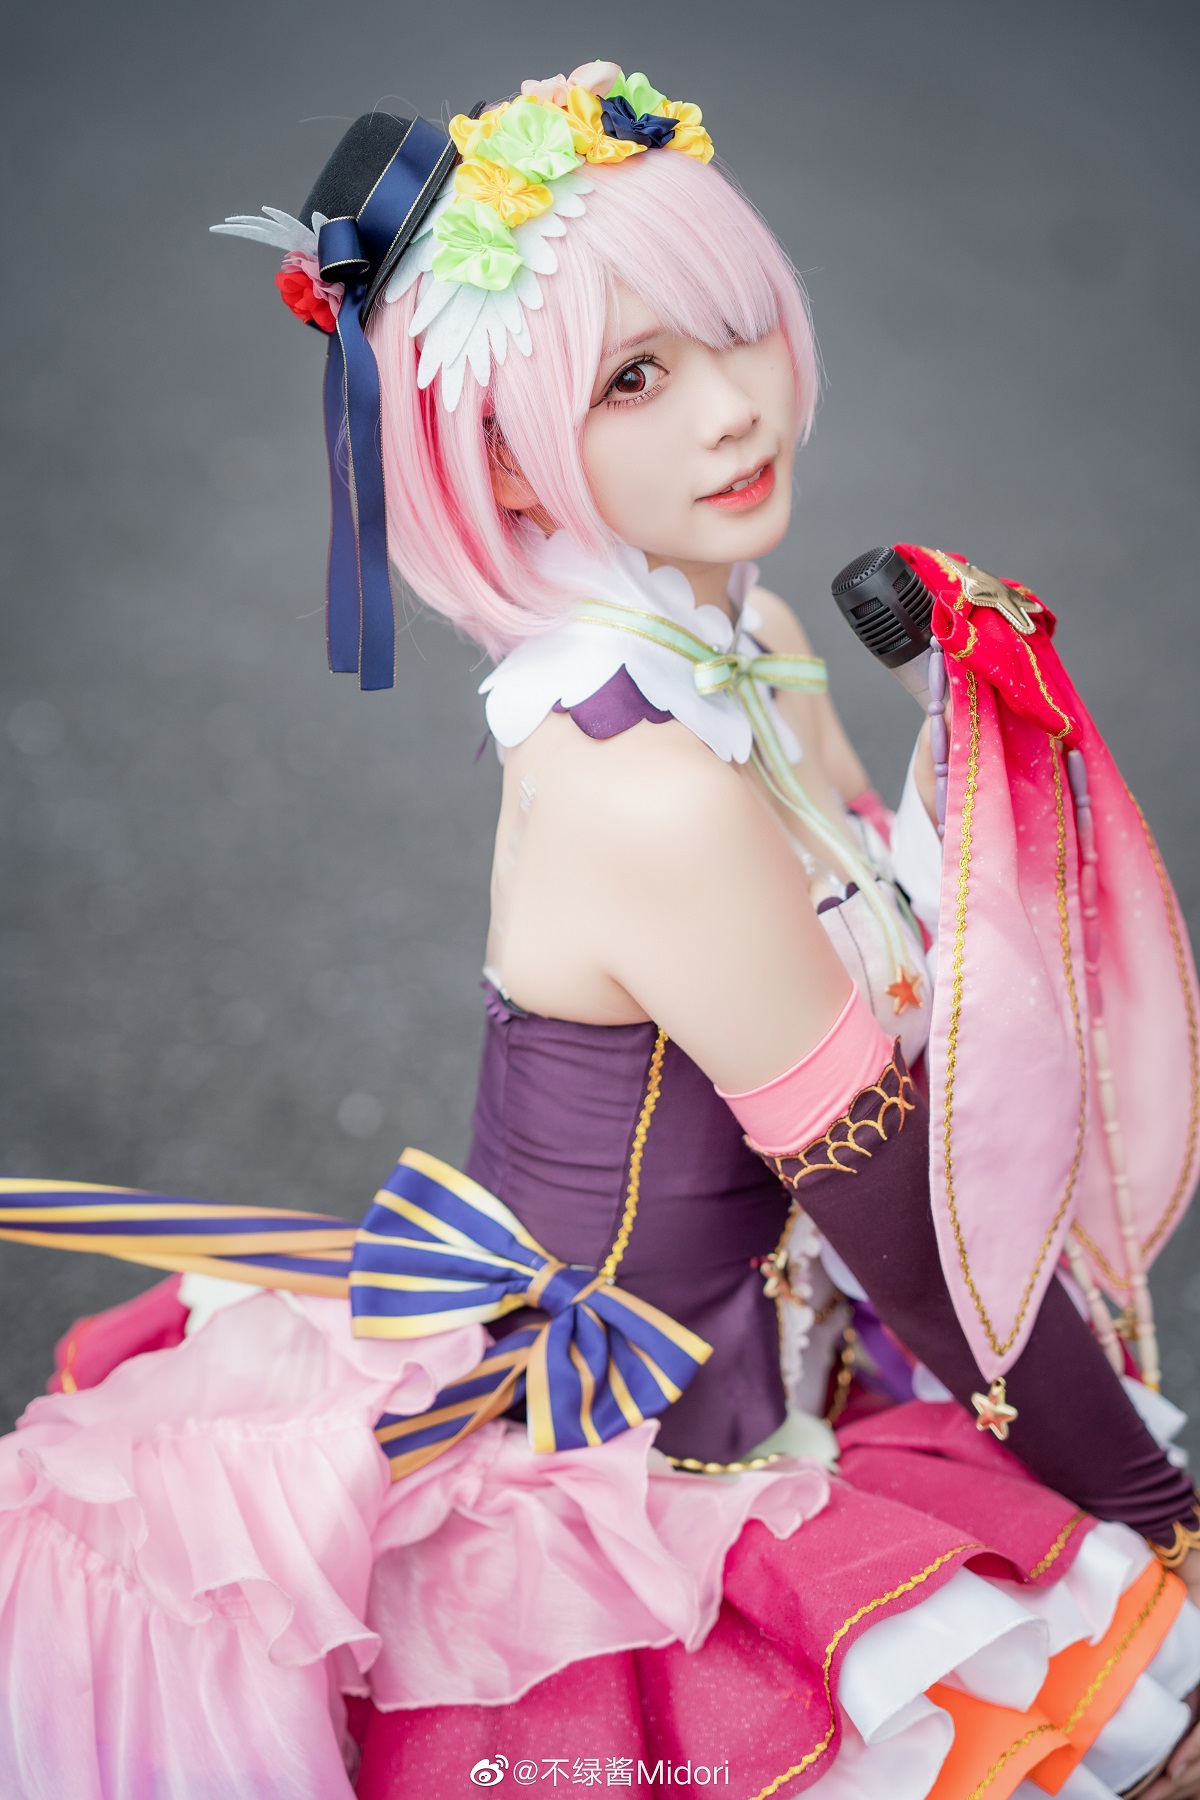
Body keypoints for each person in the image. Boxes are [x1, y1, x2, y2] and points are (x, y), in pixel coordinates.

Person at [2, 60, 1200, 1800]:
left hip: (805, 1340)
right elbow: (908, 1215)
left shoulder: (747, 635)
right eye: (634, 377)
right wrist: (1162, 1510)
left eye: (737, 329)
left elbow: (901, 991)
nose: (734, 411)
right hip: (640, 1465)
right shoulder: (648, 791)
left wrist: (983, 764)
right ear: (498, 456)